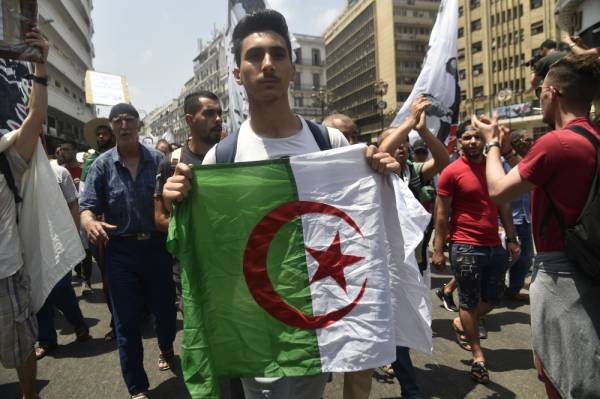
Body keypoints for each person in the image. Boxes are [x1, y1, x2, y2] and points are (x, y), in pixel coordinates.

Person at [162, 9, 399, 399]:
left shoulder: (331, 145)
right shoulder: (222, 158)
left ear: (292, 66)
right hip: (255, 318)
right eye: (254, 56)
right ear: (237, 73)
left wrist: (382, 173)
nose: (267, 64)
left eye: (278, 54)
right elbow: (211, 247)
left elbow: (363, 231)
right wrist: (180, 205)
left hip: (319, 309)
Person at [476, 53, 600, 399]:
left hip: (561, 272)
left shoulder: (557, 142)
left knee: (560, 371)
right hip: (588, 263)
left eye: (540, 92)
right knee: (582, 363)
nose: (539, 99)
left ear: (552, 92)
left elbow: (497, 190)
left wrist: (490, 145)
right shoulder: (591, 139)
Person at [80, 103, 177, 399]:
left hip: (158, 249)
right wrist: (89, 223)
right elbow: (87, 208)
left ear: (138, 124)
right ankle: (137, 387)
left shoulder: (159, 161)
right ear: (111, 127)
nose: (123, 125)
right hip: (120, 252)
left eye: (129, 120)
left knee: (166, 312)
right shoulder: (101, 166)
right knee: (126, 321)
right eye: (117, 121)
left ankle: (166, 346)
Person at [431, 119, 520, 385]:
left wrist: (512, 238)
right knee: (468, 301)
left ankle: (462, 323)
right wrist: (439, 249)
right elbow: (442, 214)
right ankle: (479, 356)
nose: (472, 142)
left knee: (493, 299)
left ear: (483, 141)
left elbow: (503, 205)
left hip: (494, 245)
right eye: (467, 138)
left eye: (476, 138)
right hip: (465, 245)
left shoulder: (495, 169)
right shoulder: (451, 171)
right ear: (459, 143)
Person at [378, 96, 450, 399]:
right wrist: (407, 119)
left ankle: (392, 360)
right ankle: (411, 388)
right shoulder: (373, 171)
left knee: (408, 321)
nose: (401, 147)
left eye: (405, 142)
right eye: (397, 142)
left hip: (415, 261)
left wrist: (423, 129)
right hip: (385, 265)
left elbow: (443, 161)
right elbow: (381, 151)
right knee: (396, 326)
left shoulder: (413, 172)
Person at [0, 26, 48, 399]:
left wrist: (40, 67)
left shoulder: (7, 158)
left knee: (21, 347)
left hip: (6, 274)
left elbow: (34, 116)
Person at [36, 161, 90, 359]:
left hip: (58, 240)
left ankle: (78, 323)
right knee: (38, 293)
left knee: (61, 288)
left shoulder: (59, 173)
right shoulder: (17, 171)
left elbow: (73, 204)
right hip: (31, 243)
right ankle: (46, 339)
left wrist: (74, 236)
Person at [499, 128, 534, 301]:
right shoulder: (500, 163)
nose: (531, 143)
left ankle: (513, 290)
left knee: (526, 258)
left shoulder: (530, 161)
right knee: (502, 259)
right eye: (527, 139)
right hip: (505, 220)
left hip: (526, 218)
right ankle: (493, 290)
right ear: (515, 142)